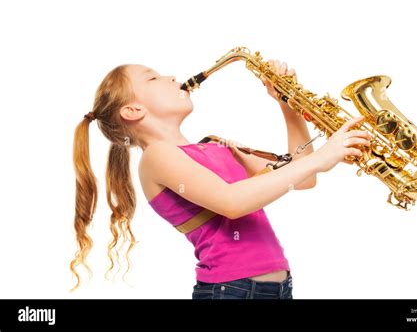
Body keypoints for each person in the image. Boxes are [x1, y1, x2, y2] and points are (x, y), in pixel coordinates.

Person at [71, 59, 370, 299]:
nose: (172, 76)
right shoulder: (157, 156)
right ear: (133, 110)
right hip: (230, 290)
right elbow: (232, 202)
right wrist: (323, 156)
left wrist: (287, 104)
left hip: (277, 288)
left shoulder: (216, 147)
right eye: (153, 77)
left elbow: (303, 176)